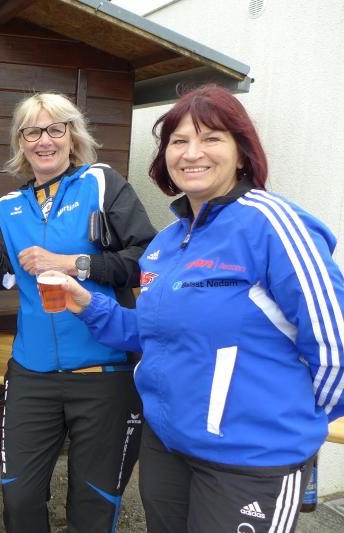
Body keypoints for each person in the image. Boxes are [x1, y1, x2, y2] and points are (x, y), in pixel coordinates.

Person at [50, 84, 344, 533]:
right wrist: (89, 305)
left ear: (242, 153)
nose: (192, 153)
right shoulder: (166, 244)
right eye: (179, 140)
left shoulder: (272, 225)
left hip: (250, 460)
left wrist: (293, 423)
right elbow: (153, 332)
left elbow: (334, 339)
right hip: (169, 446)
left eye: (211, 138)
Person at [0, 92, 156, 532]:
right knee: (20, 499)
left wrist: (73, 264)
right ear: (20, 143)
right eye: (32, 132)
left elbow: (146, 259)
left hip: (104, 373)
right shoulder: (9, 207)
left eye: (55, 129)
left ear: (72, 135)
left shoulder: (102, 182)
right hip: (32, 374)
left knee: (92, 505)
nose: (44, 140)